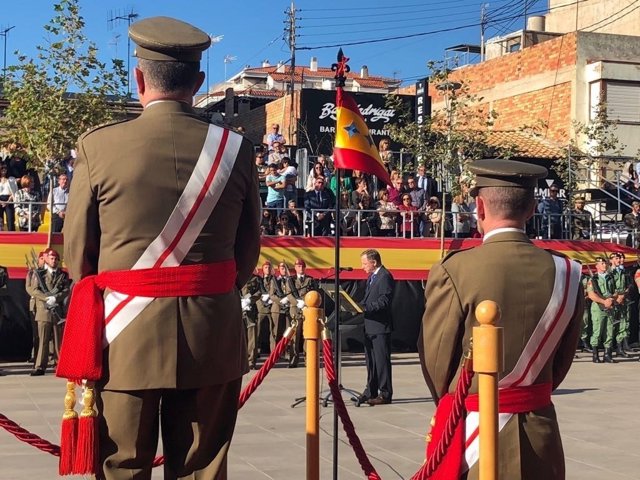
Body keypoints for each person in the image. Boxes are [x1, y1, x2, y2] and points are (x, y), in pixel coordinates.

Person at [59, 16, 261, 480]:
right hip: (212, 330)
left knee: (124, 466)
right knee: (200, 470)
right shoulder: (234, 149)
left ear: (138, 77)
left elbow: (78, 256)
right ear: (199, 82)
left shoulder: (98, 146)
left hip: (124, 335)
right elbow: (247, 252)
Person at [419, 159, 583, 480]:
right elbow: (562, 361)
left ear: (479, 206)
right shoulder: (568, 271)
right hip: (540, 432)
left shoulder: (455, 269)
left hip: (473, 434)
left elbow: (436, 363)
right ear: (533, 208)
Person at [358, 249, 395, 406]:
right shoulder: (372, 277)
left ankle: (385, 393)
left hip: (380, 327)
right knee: (371, 361)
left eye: (365, 263)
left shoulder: (385, 277)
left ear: (374, 262)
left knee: (381, 361)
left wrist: (366, 307)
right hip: (369, 326)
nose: (362, 267)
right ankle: (370, 390)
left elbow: (384, 301)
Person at [26, 248, 69, 376]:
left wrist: (56, 297)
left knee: (58, 341)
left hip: (57, 310)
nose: (54, 261)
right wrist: (46, 298)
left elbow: (66, 289)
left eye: (56, 259)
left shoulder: (63, 275)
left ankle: (59, 365)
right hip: (43, 310)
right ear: (46, 259)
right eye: (51, 258)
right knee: (43, 340)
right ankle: (40, 366)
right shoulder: (39, 274)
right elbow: (33, 290)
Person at [587, 256, 617, 363]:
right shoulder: (593, 279)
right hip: (598, 308)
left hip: (610, 306)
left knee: (609, 331)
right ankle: (595, 355)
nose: (605, 265)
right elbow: (591, 295)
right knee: (597, 331)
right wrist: (604, 302)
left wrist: (611, 299)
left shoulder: (610, 277)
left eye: (605, 263)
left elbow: (615, 291)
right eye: (602, 263)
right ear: (597, 266)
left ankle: (607, 354)